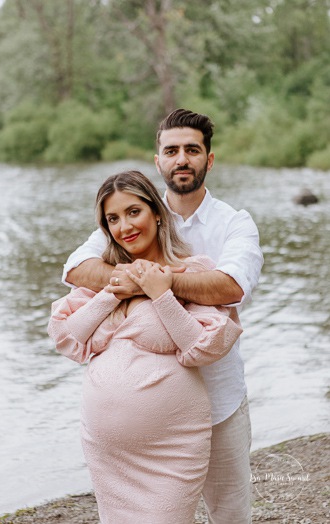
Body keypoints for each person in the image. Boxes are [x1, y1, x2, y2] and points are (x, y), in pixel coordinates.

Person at [63, 109, 263, 523]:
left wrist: (162, 282)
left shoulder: (234, 224)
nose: (181, 159)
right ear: (158, 161)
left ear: (209, 159)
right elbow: (76, 269)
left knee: (230, 514)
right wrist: (138, 278)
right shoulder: (139, 214)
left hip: (220, 400)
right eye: (171, 151)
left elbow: (231, 285)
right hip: (147, 427)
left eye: (192, 150)